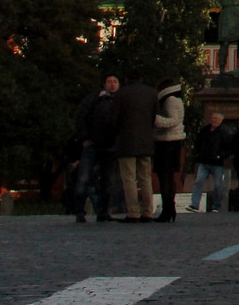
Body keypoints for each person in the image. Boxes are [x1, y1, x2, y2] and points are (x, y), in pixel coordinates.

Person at [75, 76, 121, 222]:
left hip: (110, 146)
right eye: (109, 82)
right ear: (104, 84)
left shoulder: (121, 100)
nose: (112, 85)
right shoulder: (93, 99)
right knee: (84, 178)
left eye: (115, 82)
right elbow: (81, 117)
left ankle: (102, 211)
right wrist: (84, 138)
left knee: (108, 181)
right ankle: (79, 211)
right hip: (93, 144)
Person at [113, 76, 158, 223]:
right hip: (146, 142)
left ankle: (133, 213)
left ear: (126, 80)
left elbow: (114, 118)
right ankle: (148, 212)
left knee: (129, 178)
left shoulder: (121, 94)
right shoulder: (151, 93)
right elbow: (154, 117)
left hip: (126, 142)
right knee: (146, 178)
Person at [151, 79, 185, 223]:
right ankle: (170, 209)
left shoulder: (170, 100)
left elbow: (173, 120)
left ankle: (168, 209)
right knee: (168, 177)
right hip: (172, 141)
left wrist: (155, 119)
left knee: (165, 176)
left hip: (167, 141)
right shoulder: (174, 98)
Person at [190, 111, 230, 213]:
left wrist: (220, 155)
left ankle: (216, 205)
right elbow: (198, 142)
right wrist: (198, 154)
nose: (213, 120)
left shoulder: (224, 132)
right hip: (204, 161)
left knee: (217, 185)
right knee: (199, 181)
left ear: (221, 120)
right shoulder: (205, 130)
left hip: (217, 163)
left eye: (215, 118)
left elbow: (228, 148)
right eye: (212, 118)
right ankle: (194, 204)